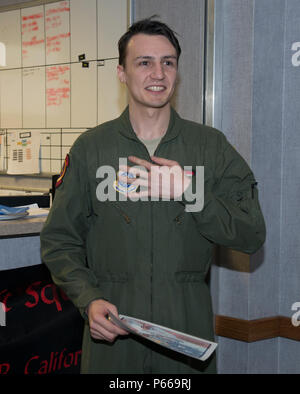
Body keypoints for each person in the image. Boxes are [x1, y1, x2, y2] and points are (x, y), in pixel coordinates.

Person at [40, 17, 266, 374]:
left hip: (186, 333)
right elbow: (59, 240)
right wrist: (89, 299)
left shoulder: (210, 147)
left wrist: (189, 191)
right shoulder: (91, 149)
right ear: (121, 73)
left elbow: (251, 234)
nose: (158, 73)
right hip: (114, 330)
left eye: (168, 62)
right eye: (144, 62)